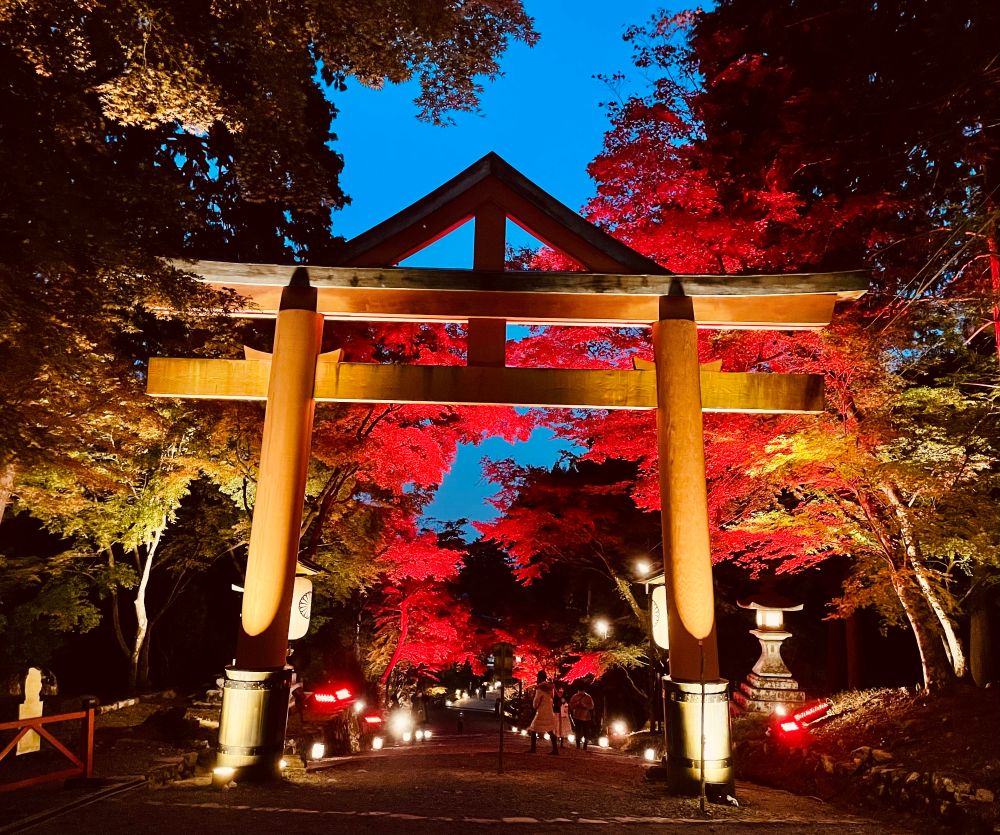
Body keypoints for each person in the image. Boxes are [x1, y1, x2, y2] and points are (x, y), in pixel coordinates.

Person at [527, 670, 558, 754]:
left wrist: (535, 706)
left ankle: (533, 749)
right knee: (550, 729)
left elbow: (536, 700)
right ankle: (555, 749)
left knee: (534, 729)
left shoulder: (539, 688)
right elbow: (552, 698)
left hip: (541, 711)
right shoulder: (550, 687)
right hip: (549, 710)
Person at [569, 685, 595, 750]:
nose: (580, 692)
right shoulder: (574, 696)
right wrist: (576, 704)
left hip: (586, 717)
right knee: (578, 731)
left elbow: (592, 706)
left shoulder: (588, 697)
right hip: (577, 716)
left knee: (586, 732)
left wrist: (585, 706)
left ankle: (585, 746)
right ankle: (578, 745)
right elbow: (571, 706)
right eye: (580, 691)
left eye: (582, 691)